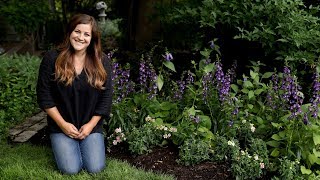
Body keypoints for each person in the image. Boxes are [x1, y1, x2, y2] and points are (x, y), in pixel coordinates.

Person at [36, 13, 112, 174]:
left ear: (92, 38)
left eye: (86, 34)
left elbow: (106, 97)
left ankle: (83, 142)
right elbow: (44, 96)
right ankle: (63, 143)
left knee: (95, 168)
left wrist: (91, 125)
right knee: (71, 169)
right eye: (77, 31)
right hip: (61, 124)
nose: (80, 37)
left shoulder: (102, 61)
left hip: (90, 125)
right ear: (70, 32)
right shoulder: (52, 58)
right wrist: (63, 125)